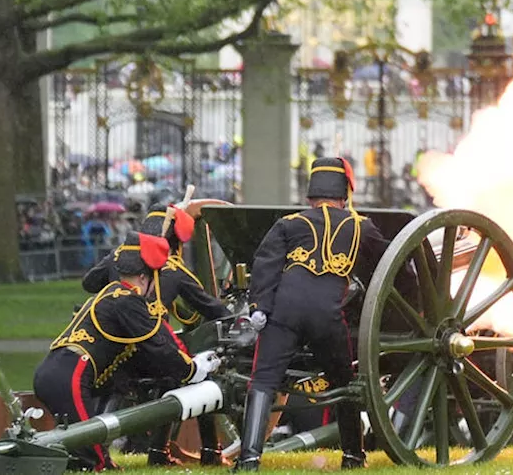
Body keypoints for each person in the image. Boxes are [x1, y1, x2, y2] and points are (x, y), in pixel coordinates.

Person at [34, 233, 220, 472]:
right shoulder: (128, 301)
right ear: (144, 277)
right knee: (92, 460)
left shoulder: (111, 292)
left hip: (55, 372)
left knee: (86, 455)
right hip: (71, 376)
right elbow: (158, 347)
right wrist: (193, 369)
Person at [236, 157, 376, 471]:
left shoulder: (288, 223)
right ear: (345, 195)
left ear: (310, 196)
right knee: (344, 382)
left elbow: (265, 268)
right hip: (328, 317)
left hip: (283, 313)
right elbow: (389, 269)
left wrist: (259, 309)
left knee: (263, 380)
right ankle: (353, 456)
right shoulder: (362, 227)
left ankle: (248, 459)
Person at [80, 204, 230, 466]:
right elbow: (211, 307)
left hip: (116, 352)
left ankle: (100, 451)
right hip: (153, 351)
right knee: (204, 376)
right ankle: (201, 452)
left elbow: (89, 283)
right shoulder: (173, 268)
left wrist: (113, 264)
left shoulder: (118, 257)